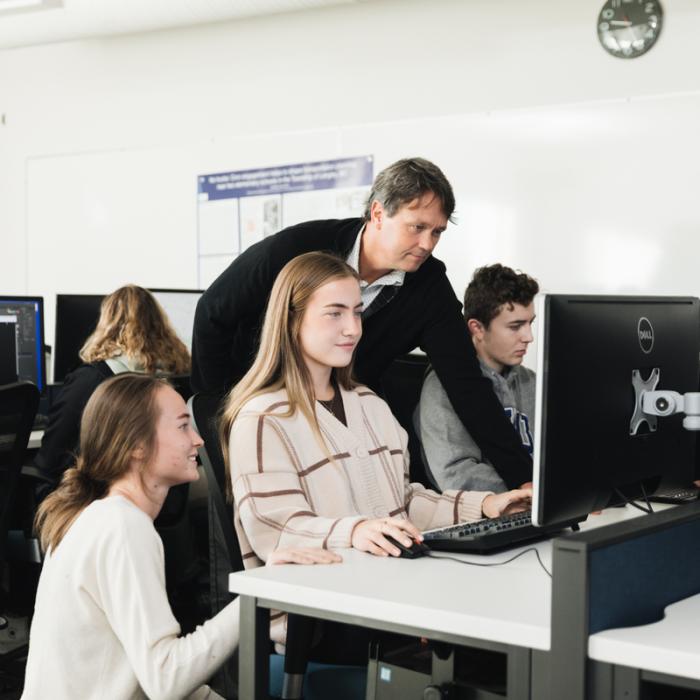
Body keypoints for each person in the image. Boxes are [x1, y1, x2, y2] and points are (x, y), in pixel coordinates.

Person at [220, 252, 532, 644]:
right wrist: (357, 531)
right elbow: (277, 529)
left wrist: (484, 507)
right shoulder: (264, 417)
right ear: (291, 320)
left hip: (390, 601)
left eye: (357, 311)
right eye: (334, 313)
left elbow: (402, 504)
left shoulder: (370, 405)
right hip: (321, 625)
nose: (353, 328)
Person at [193, 157, 531, 489]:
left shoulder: (429, 289)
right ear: (379, 214)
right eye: (417, 227)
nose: (427, 244)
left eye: (437, 232)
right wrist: (224, 413)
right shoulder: (297, 249)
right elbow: (212, 312)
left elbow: (468, 387)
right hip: (258, 405)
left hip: (339, 416)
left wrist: (526, 483)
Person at [21, 373, 340, 700]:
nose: (198, 440)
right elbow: (166, 680)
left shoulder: (95, 517)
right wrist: (256, 595)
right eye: (182, 426)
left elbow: (144, 672)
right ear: (137, 446)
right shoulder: (123, 526)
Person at [34, 284, 191, 490]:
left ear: (106, 324)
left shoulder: (91, 379)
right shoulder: (179, 374)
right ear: (159, 324)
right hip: (165, 495)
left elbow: (52, 456)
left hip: (103, 497)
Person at [415, 264, 539, 493]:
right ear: (477, 329)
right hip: (479, 517)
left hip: (536, 510)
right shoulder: (442, 387)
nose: (528, 337)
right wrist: (532, 493)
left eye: (530, 323)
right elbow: (455, 476)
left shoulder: (531, 382)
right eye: (515, 326)